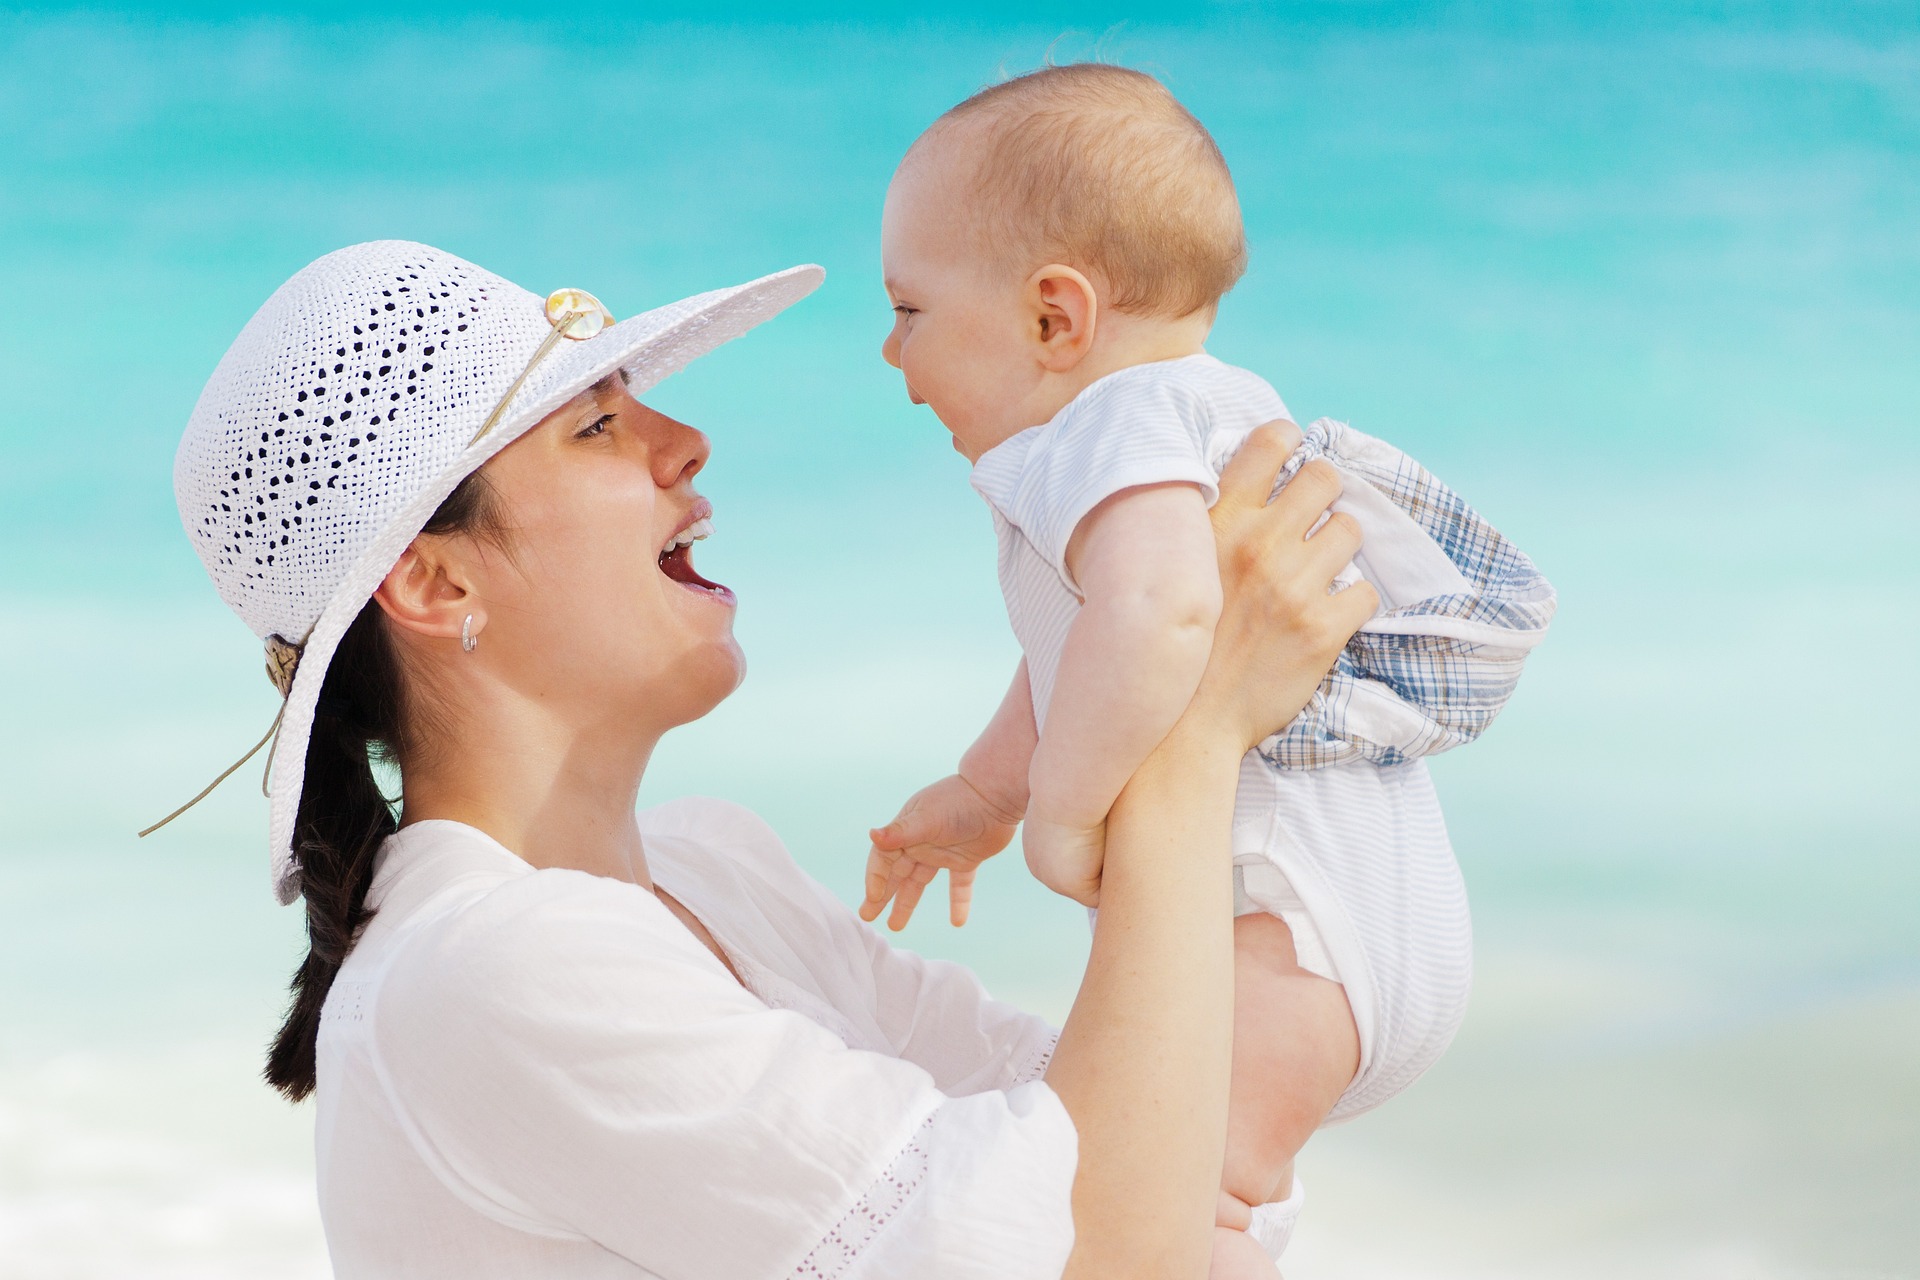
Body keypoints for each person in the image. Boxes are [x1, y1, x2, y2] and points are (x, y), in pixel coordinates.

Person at [153, 238, 1376, 1278]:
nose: (686, 440)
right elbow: (1107, 1245)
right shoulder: (483, 969)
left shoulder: (713, 865)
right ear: (435, 578)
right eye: (596, 425)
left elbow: (1160, 1157)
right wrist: (1193, 719)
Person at [864, 65, 1556, 1273]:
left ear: (1054, 319)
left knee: (1159, 1205)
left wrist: (1063, 820)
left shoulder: (1109, 425)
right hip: (1357, 928)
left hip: (1286, 926)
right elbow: (1083, 649)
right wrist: (988, 790)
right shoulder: (1211, 410)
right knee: (1205, 1191)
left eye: (911, 309)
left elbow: (1161, 611)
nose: (889, 350)